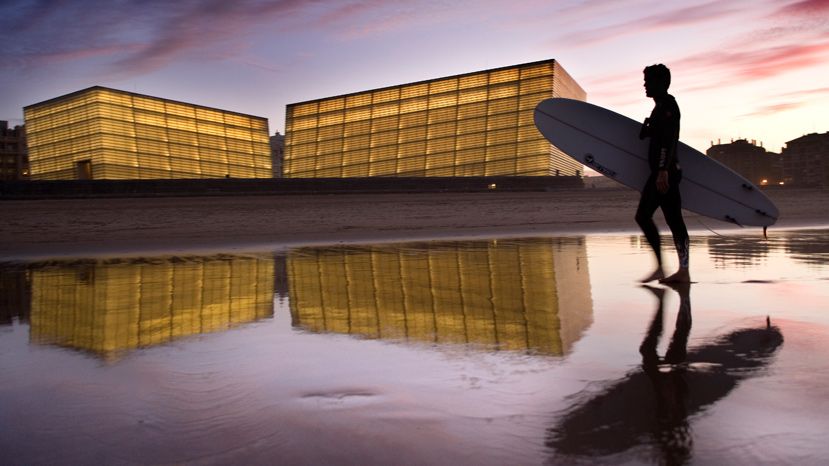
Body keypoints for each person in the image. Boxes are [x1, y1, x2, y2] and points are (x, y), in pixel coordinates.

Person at [636, 64, 690, 283]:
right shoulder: (660, 108)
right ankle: (682, 271)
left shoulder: (667, 106)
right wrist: (648, 127)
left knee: (645, 216)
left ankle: (668, 268)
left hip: (665, 173)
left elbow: (669, 141)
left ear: (661, 83)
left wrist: (662, 171)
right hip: (666, 171)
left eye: (648, 81)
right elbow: (655, 136)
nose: (645, 85)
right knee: (674, 220)